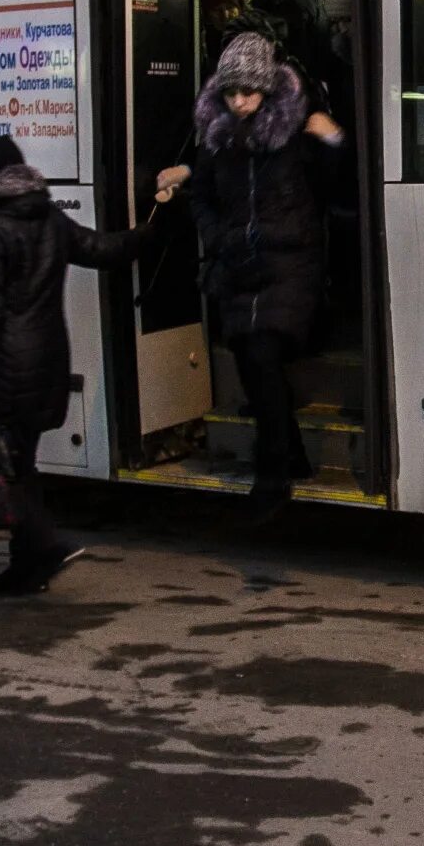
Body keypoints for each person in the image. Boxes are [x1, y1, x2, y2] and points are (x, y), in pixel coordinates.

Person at [0, 134, 185, 596]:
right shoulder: (47, 219)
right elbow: (105, 250)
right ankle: (26, 567)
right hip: (46, 362)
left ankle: (47, 547)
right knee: (20, 462)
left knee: (9, 466)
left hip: (3, 369)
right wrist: (156, 226)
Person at [185, 31, 346, 515]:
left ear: (269, 90)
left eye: (249, 92)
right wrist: (217, 237)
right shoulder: (217, 139)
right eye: (232, 93)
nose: (240, 102)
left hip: (290, 261)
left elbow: (340, 183)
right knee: (249, 359)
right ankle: (292, 455)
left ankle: (272, 474)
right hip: (238, 263)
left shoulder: (296, 133)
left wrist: (333, 139)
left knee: (261, 351)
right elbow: (202, 196)